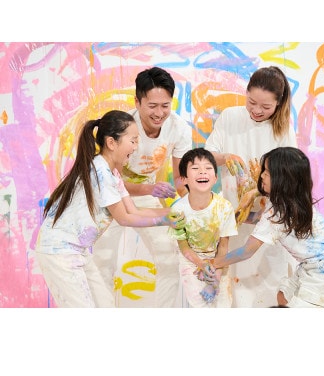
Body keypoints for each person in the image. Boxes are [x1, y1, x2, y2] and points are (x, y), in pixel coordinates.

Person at [34, 110, 185, 308]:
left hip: (77, 251)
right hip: (59, 251)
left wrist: (175, 213)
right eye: (133, 141)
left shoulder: (113, 174)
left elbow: (134, 211)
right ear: (112, 143)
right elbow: (124, 218)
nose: (136, 147)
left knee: (105, 305)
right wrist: (165, 220)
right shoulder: (101, 172)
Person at [92, 67, 192, 307]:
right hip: (111, 195)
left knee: (169, 257)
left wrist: (193, 205)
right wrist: (150, 190)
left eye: (165, 105)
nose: (159, 113)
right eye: (152, 106)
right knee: (103, 260)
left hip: (147, 191)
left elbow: (181, 179)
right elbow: (110, 181)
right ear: (137, 102)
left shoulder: (179, 128)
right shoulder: (122, 128)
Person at [202, 147, 324, 308]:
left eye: (267, 172)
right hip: (321, 261)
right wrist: (229, 215)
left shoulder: (279, 212)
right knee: (283, 297)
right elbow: (257, 219)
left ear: (283, 179)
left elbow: (246, 252)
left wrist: (214, 262)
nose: (262, 175)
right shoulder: (288, 200)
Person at [205, 66, 298, 307]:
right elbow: (206, 157)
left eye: (265, 107)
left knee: (268, 286)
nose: (256, 111)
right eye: (251, 102)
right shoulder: (230, 117)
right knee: (234, 287)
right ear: (245, 93)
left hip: (268, 222)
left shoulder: (284, 129)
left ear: (279, 103)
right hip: (234, 219)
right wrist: (225, 157)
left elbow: (291, 177)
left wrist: (259, 197)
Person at [168, 148, 238, 307]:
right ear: (184, 179)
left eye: (208, 168)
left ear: (215, 178)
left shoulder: (225, 207)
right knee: (200, 303)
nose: (202, 172)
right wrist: (201, 264)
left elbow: (223, 247)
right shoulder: (177, 210)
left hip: (219, 259)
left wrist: (216, 277)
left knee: (222, 304)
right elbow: (184, 247)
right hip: (191, 260)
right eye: (195, 168)